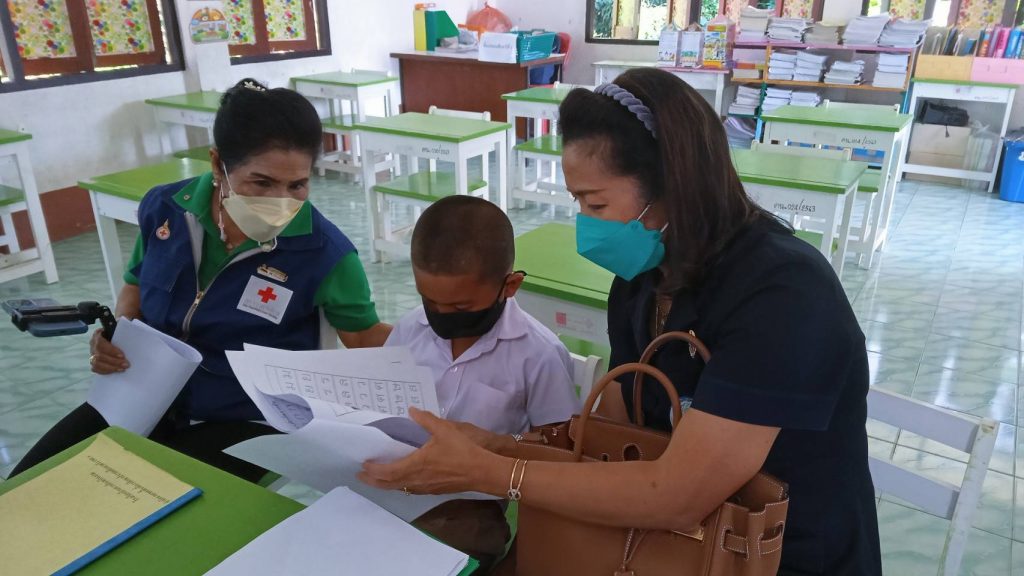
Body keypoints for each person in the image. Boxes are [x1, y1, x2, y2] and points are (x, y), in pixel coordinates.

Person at [360, 68, 882, 575]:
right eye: (578, 202)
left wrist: (495, 472)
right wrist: (498, 445)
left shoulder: (784, 294)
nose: (585, 224)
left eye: (595, 203)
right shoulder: (643, 282)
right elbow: (612, 438)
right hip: (672, 544)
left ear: (673, 184)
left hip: (774, 555)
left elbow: (677, 494)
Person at [11, 78, 390, 482]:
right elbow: (136, 285)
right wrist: (119, 335)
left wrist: (431, 341)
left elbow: (363, 336)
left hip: (247, 418)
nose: (280, 201)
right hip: (144, 392)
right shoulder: (166, 210)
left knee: (144, 497)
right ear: (217, 165)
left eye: (297, 185)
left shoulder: (325, 253)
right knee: (29, 484)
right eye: (261, 183)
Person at [388, 195, 580, 568]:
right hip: (394, 486)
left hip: (469, 509)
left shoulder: (538, 355)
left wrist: (501, 445)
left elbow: (560, 452)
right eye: (430, 301)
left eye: (460, 308)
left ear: (510, 286)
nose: (441, 316)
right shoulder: (411, 328)